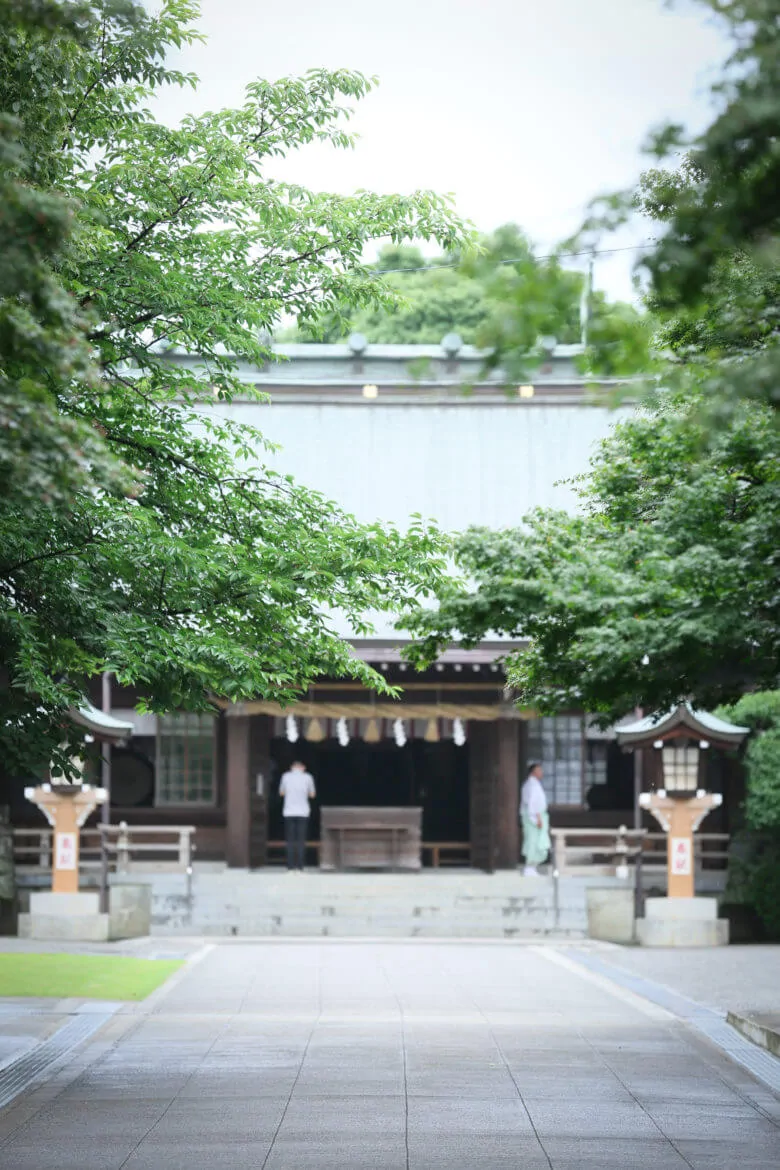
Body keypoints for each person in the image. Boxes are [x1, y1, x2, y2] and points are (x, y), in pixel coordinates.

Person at [279, 760, 316, 872]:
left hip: (289, 812)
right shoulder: (308, 777)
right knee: (301, 840)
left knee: (290, 840)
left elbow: (281, 793)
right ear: (303, 768)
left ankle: (290, 866)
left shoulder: (285, 776)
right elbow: (312, 795)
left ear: (292, 768)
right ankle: (300, 866)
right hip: (303, 812)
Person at [520, 761, 550, 876]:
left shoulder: (533, 784)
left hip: (536, 815)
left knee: (536, 842)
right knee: (533, 842)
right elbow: (532, 804)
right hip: (533, 817)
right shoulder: (531, 785)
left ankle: (532, 867)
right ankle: (529, 867)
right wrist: (537, 818)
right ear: (533, 772)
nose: (541, 772)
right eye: (539, 770)